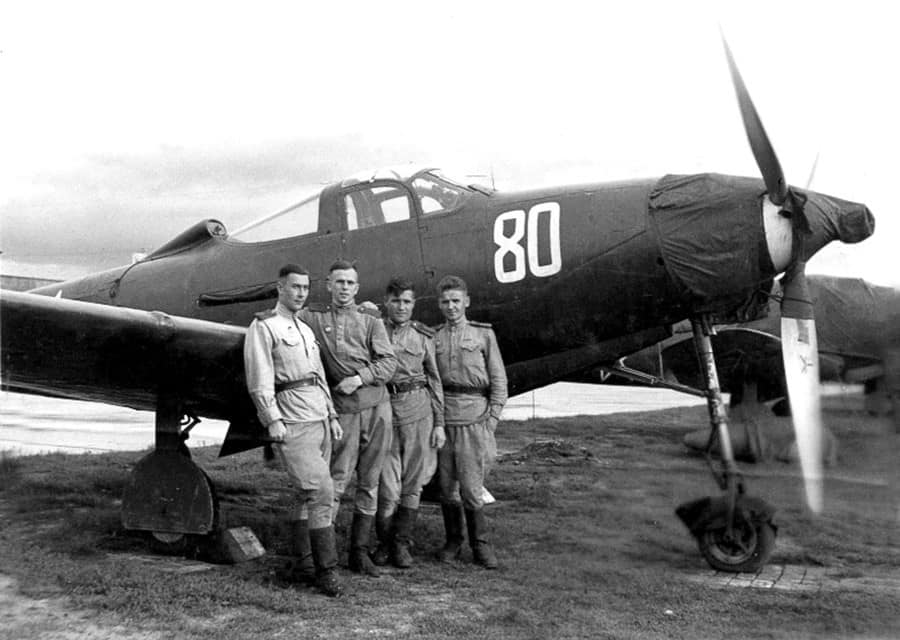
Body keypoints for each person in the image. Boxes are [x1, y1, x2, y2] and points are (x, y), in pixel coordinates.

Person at [243, 264, 344, 597]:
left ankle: (304, 564)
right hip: (293, 421)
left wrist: (331, 415)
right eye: (295, 287)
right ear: (280, 288)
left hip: (319, 419)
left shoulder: (305, 329)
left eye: (305, 287)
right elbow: (260, 379)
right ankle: (326, 572)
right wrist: (272, 419)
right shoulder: (264, 327)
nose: (301, 293)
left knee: (305, 496)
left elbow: (318, 376)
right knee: (322, 492)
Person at [299, 260, 397, 577]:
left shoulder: (370, 320)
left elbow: (388, 363)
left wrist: (359, 378)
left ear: (357, 287)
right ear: (328, 285)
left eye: (350, 283)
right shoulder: (314, 317)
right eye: (338, 282)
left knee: (370, 481)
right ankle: (321, 557)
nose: (344, 288)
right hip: (343, 411)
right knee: (336, 480)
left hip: (376, 408)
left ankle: (359, 552)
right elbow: (286, 320)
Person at [433, 275, 507, 569]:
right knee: (447, 487)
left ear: (466, 301)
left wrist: (492, 419)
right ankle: (454, 540)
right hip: (444, 419)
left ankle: (481, 545)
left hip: (475, 418)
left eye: (455, 301)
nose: (451, 307)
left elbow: (499, 380)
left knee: (472, 487)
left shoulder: (483, 335)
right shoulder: (434, 337)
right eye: (445, 302)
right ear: (439, 305)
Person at [372, 277, 446, 568]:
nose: (401, 307)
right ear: (386, 303)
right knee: (387, 487)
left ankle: (401, 546)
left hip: (419, 412)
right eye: (396, 301)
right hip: (385, 412)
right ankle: (384, 544)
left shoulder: (424, 336)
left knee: (413, 485)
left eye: (407, 302)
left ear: (413, 304)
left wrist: (439, 423)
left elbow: (435, 382)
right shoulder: (374, 330)